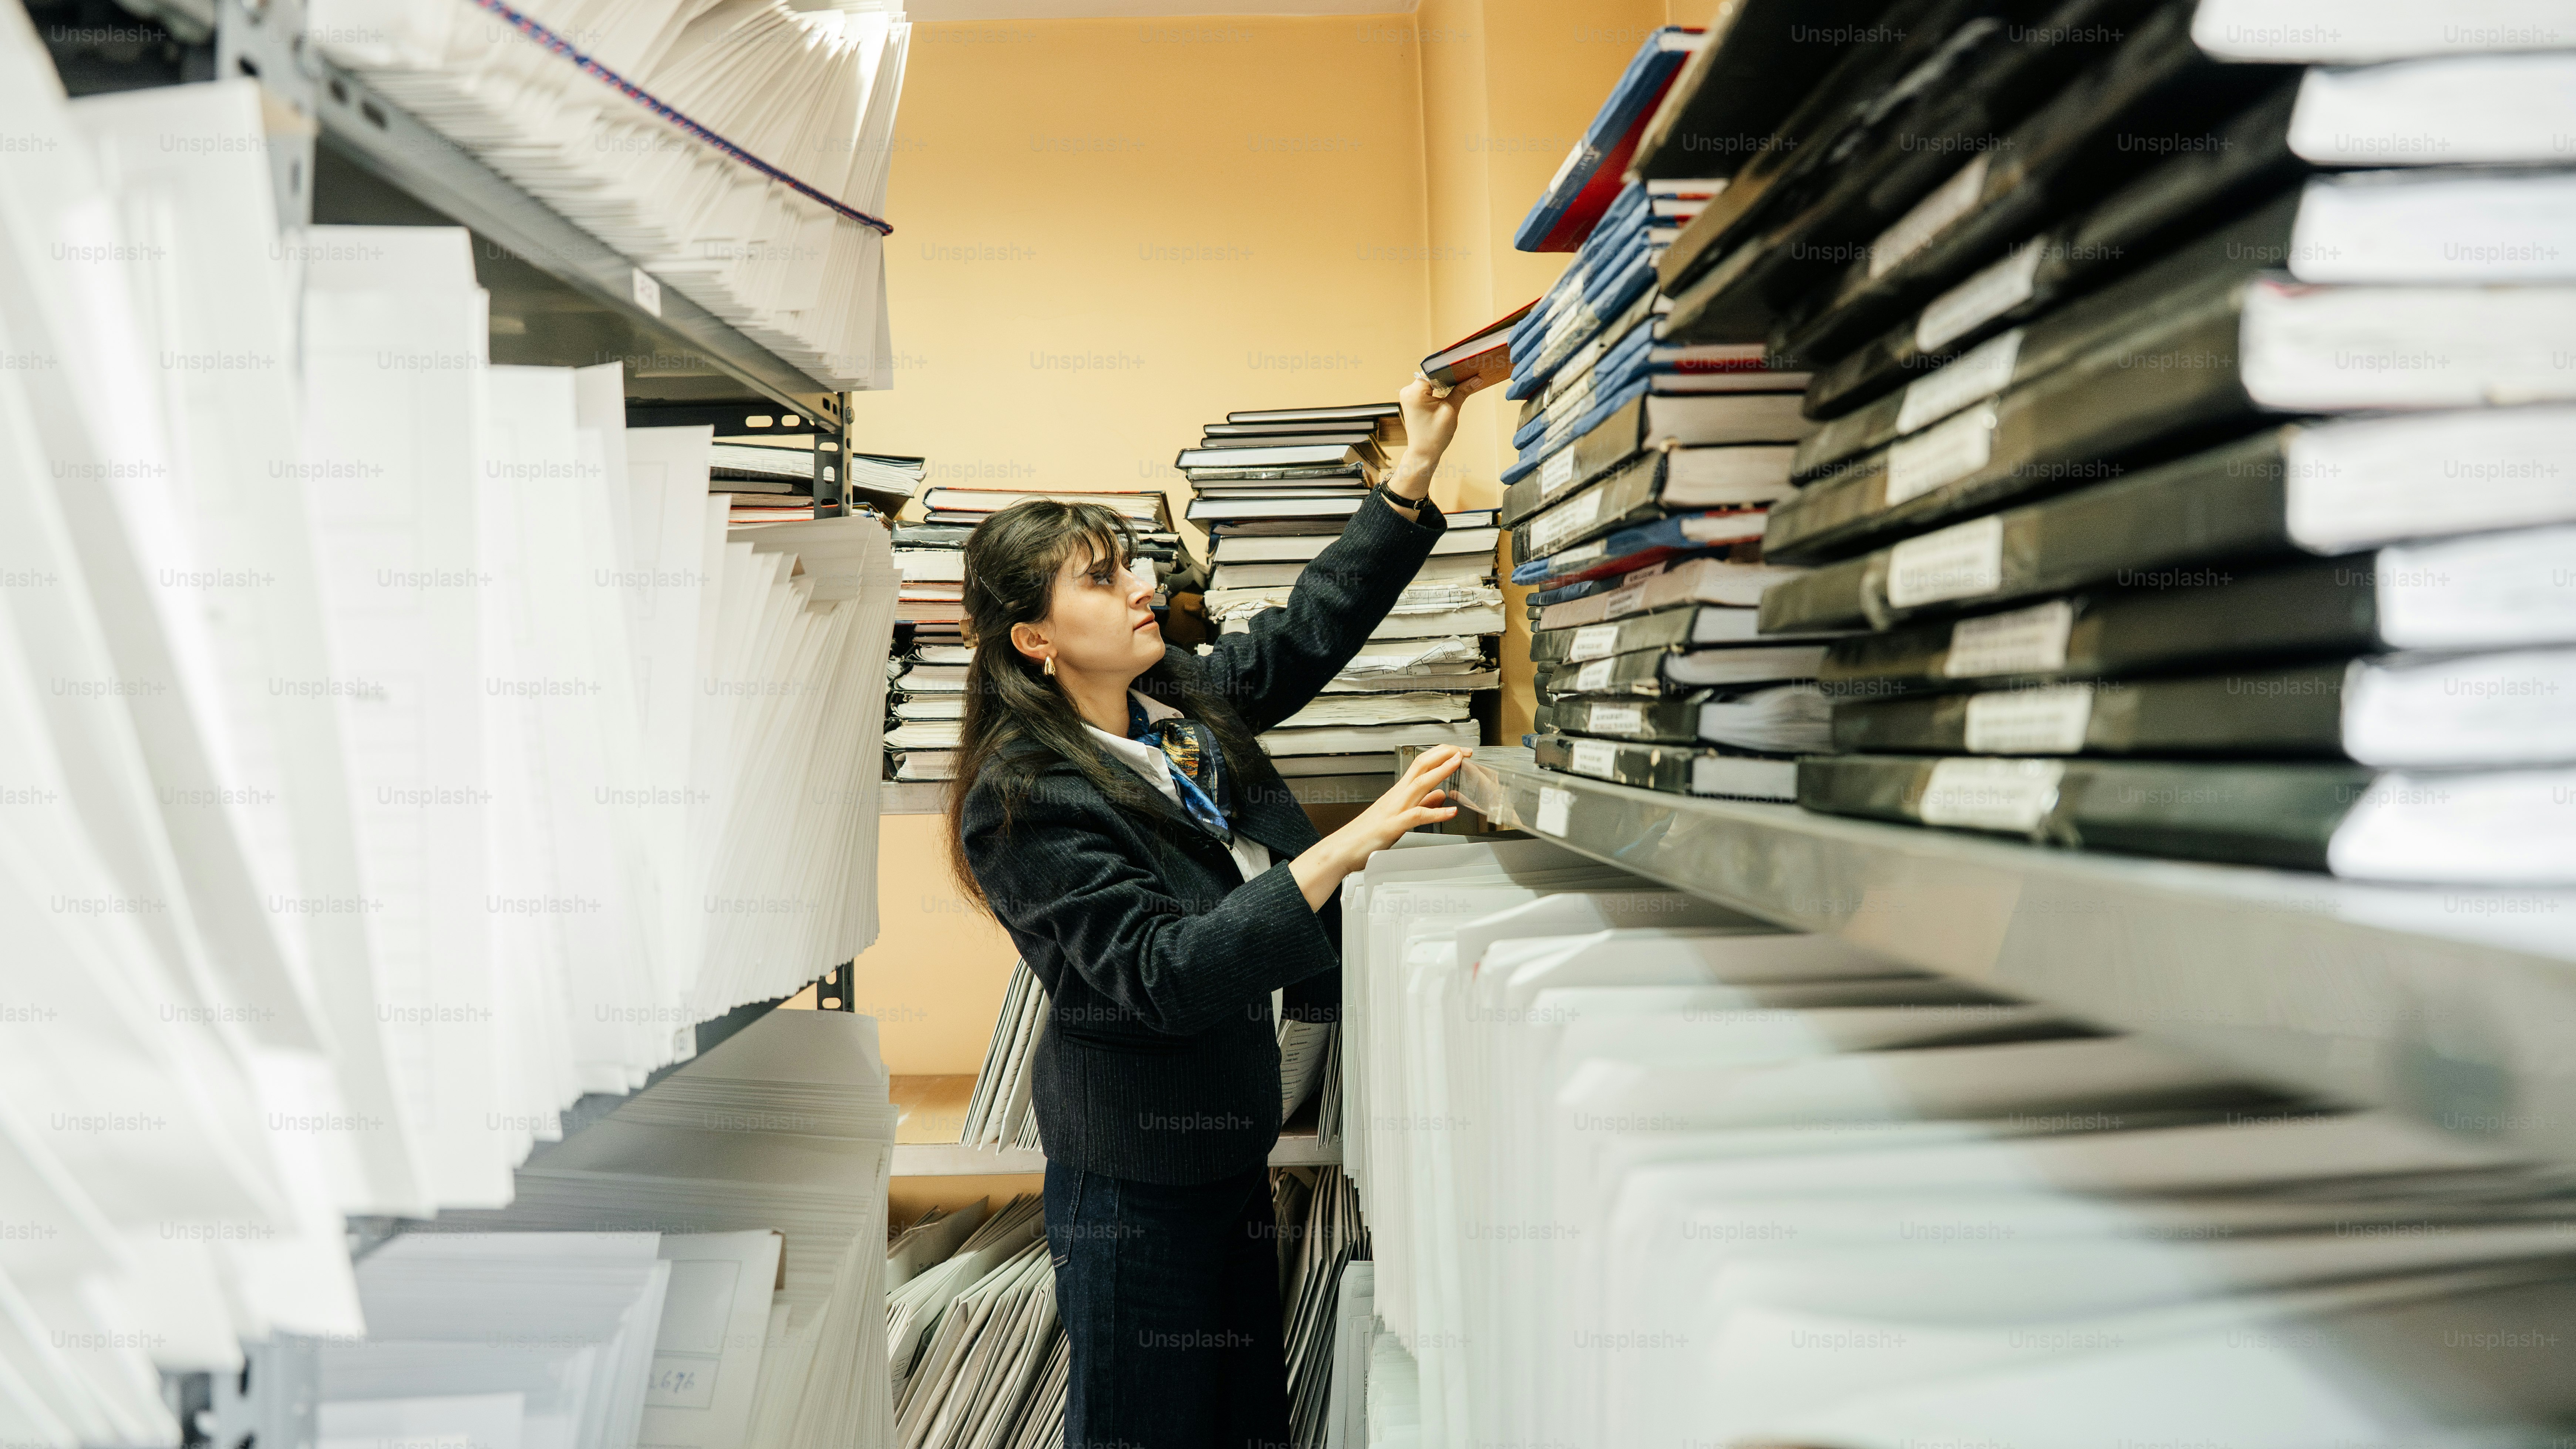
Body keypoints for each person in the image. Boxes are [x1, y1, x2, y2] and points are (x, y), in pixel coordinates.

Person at [945, 375, 1488, 1448]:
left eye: (1129, 566)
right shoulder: (1022, 798)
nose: (1140, 585)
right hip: (1134, 1173)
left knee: (1243, 1419)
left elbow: (1304, 633)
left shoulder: (1174, 701)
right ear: (1034, 641)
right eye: (1099, 580)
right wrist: (1351, 842)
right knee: (1147, 1426)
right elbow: (1161, 975)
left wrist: (1413, 470)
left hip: (1223, 1142)